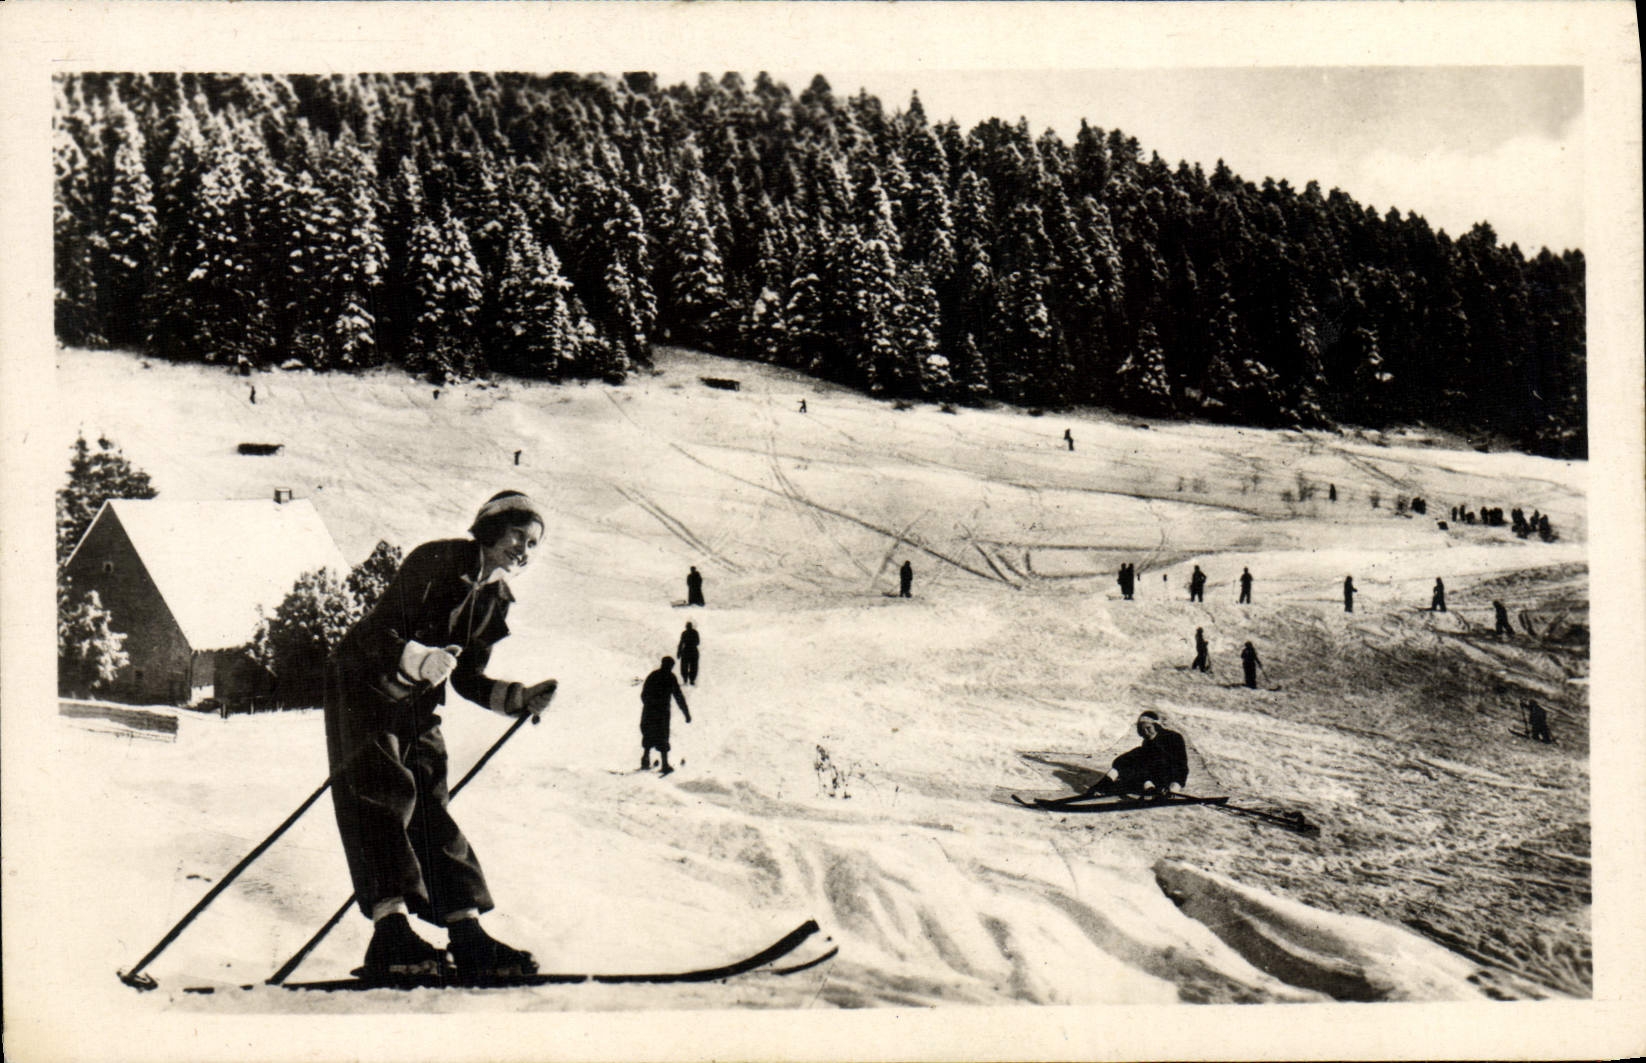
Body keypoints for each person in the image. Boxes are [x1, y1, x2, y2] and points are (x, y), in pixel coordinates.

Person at [323, 490, 558, 981]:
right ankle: (391, 932)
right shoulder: (439, 559)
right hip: (364, 686)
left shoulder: (495, 597)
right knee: (384, 797)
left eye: (534, 544)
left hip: (418, 703)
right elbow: (375, 632)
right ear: (492, 528)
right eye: (519, 535)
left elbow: (468, 677)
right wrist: (419, 657)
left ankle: (466, 931)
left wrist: (517, 697)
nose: (525, 550)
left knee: (431, 802)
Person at [1082, 711, 1190, 797]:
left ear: (1156, 726)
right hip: (1153, 780)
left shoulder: (1174, 738)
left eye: (1149, 728)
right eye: (1143, 731)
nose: (1146, 733)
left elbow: (1181, 765)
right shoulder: (1148, 742)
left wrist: (1175, 786)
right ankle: (1107, 782)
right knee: (1134, 757)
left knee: (1138, 753)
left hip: (1168, 780)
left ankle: (1107, 784)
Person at [640, 656, 691, 775]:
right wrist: (686, 713)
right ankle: (664, 764)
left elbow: (644, 694)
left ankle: (645, 759)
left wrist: (649, 705)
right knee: (662, 736)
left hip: (650, 710)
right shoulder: (670, 677)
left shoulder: (653, 675)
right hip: (662, 712)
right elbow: (679, 697)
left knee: (649, 733)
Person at [676, 621, 700, 686]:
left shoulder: (684, 633)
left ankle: (686, 679)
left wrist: (679, 652)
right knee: (692, 666)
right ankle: (690, 680)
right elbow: (698, 642)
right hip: (693, 651)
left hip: (686, 651)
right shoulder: (695, 632)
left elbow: (681, 643)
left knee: (686, 666)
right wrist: (679, 652)